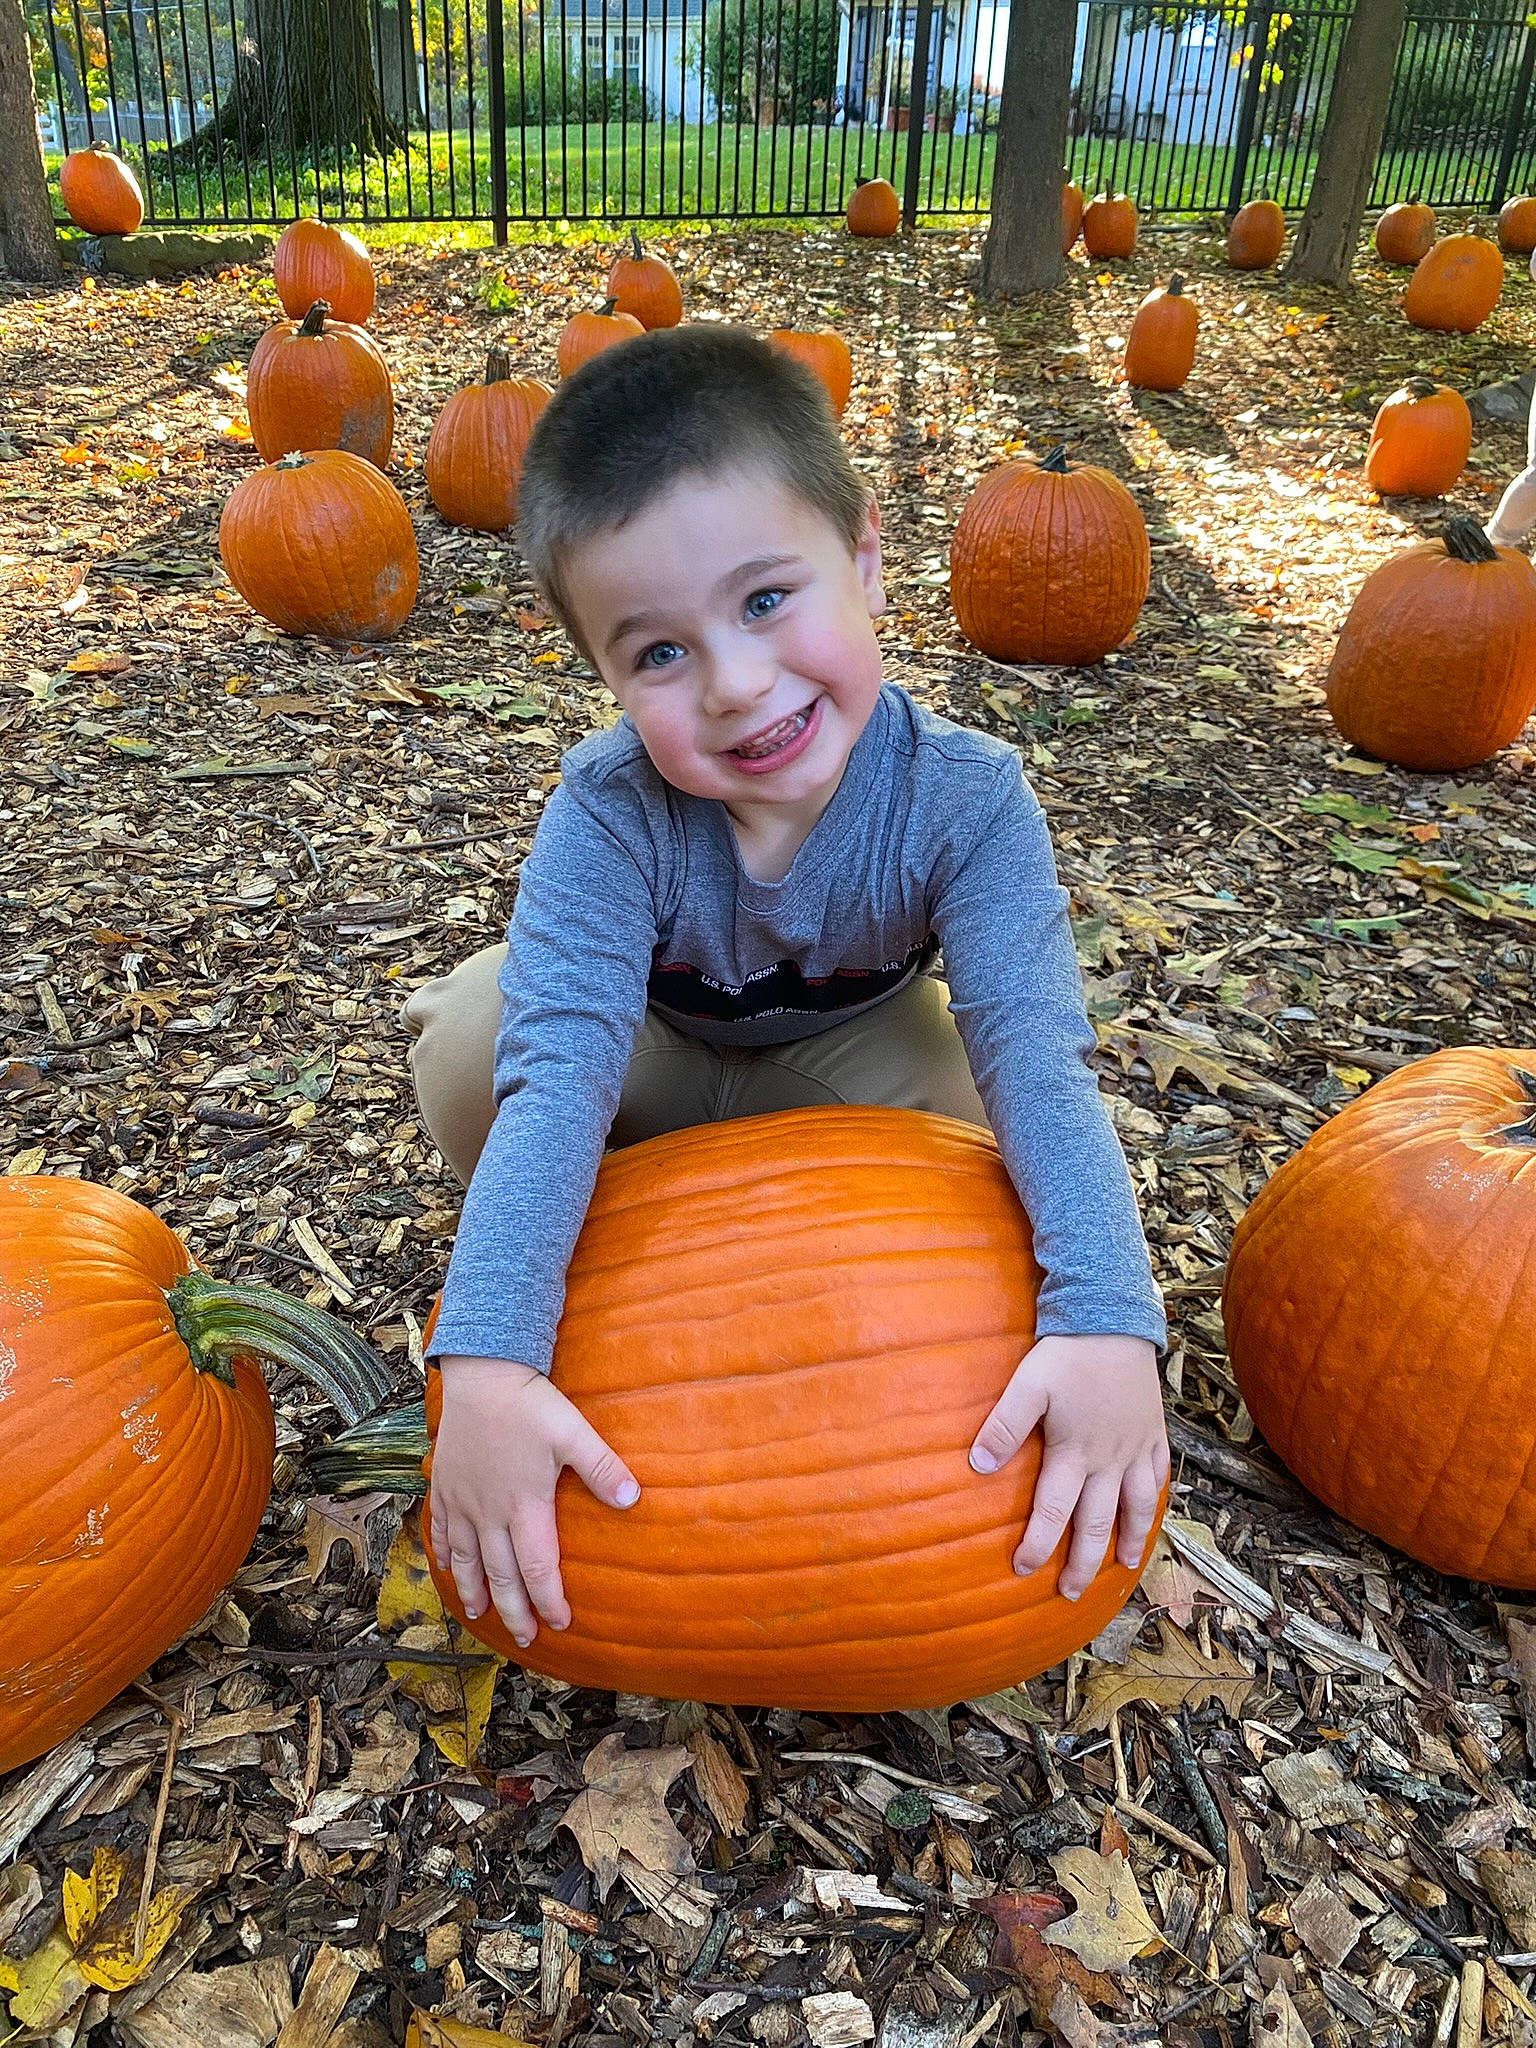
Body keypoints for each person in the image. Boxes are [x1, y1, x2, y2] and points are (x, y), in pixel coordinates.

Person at [403, 326, 1168, 1654]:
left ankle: (789, 1252)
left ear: (863, 556)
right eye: (658, 654)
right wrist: (484, 1359)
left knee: (985, 1148)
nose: (737, 684)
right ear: (602, 673)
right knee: (478, 1043)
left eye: (766, 601)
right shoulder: (606, 811)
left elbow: (1039, 1056)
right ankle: (613, 1259)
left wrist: (1111, 1322)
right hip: (651, 1052)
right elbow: (561, 1069)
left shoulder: (968, 801)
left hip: (850, 1062)